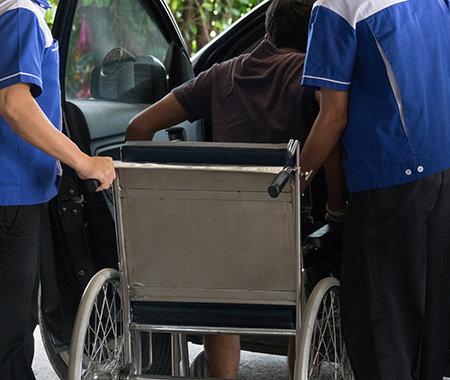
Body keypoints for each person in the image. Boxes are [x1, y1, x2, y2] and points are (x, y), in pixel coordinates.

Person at [126, 0, 347, 377]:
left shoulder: (220, 74)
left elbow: (137, 130)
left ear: (268, 31)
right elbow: (331, 141)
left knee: (217, 274)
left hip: (218, 237)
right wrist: (337, 212)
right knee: (319, 265)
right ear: (316, 33)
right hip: (285, 238)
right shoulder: (313, 78)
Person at [298, 0, 450, 379]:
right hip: (442, 166)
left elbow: (333, 115)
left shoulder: (335, 6)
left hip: (389, 175)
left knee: (382, 329)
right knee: (430, 328)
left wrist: (291, 181)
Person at [0, 0, 116, 378]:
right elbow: (15, 104)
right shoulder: (20, 12)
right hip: (11, 191)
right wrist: (82, 161)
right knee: (10, 332)